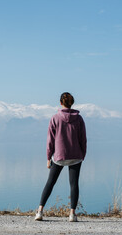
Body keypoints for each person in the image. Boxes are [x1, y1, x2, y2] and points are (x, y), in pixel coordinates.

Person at [35, 92, 87, 222]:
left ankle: (40, 212)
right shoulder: (79, 119)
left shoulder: (55, 118)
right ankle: (72, 214)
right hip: (76, 156)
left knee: (50, 183)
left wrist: (48, 157)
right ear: (72, 103)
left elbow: (50, 141)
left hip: (59, 156)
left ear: (60, 103)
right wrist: (82, 154)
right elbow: (83, 139)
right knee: (74, 184)